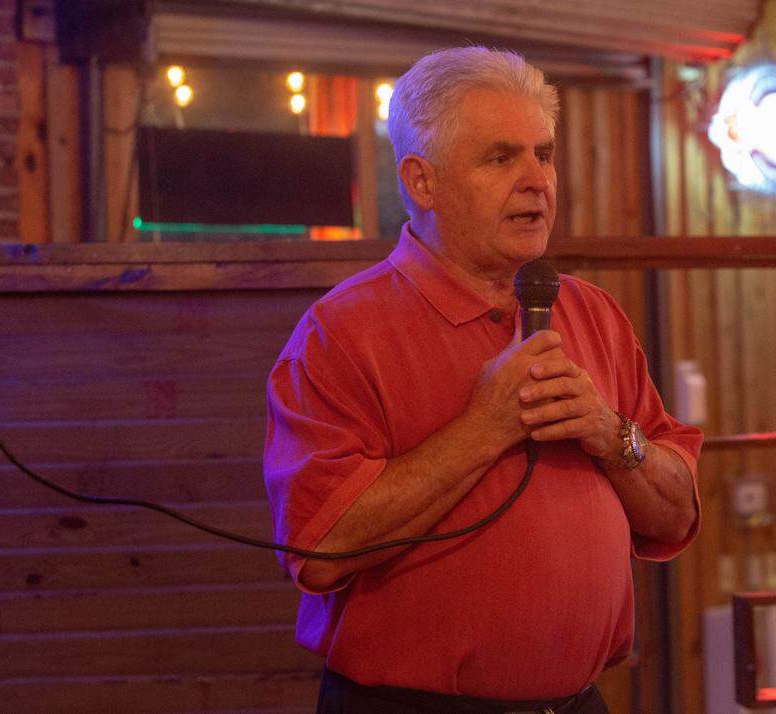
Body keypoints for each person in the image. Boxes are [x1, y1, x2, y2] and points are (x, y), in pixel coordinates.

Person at [264, 46, 703, 713]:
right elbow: (317, 548)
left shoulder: (595, 314)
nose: (537, 181)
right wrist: (485, 427)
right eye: (502, 158)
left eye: (544, 154)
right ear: (422, 182)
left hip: (579, 702)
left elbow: (677, 516)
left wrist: (610, 434)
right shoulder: (341, 333)